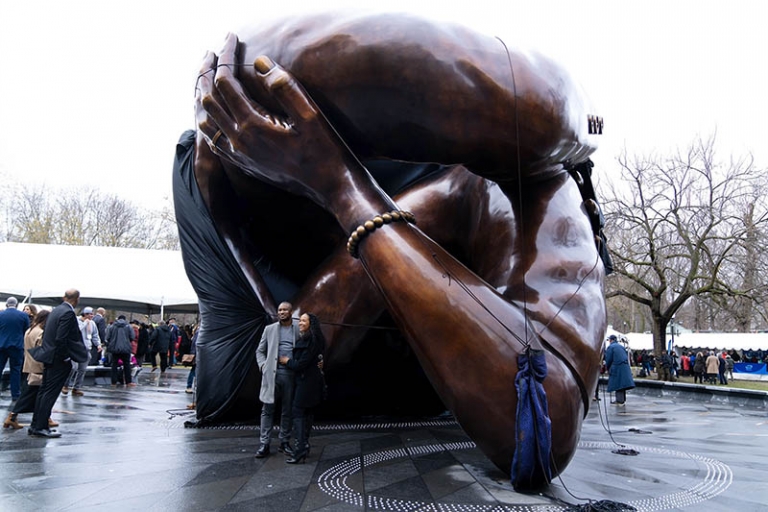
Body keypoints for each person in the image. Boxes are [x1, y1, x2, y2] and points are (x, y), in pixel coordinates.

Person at [188, 14, 610, 484]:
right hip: (268, 247)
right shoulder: (216, 176)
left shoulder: (515, 187)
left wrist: (343, 189)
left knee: (537, 118)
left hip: (364, 338)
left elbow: (544, 428)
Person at [28, 289, 86, 437]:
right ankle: (40, 427)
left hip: (48, 355)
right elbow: (61, 338)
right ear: (77, 299)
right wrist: (65, 357)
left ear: (64, 297)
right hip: (57, 358)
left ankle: (36, 425)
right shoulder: (67, 313)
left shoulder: (56, 311)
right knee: (49, 393)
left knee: (43, 392)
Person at [279, 312, 326, 463]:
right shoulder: (315, 339)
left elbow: (301, 364)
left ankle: (300, 450)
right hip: (312, 382)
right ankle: (304, 444)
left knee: (297, 411)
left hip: (306, 383)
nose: (300, 323)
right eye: (300, 320)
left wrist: (287, 361)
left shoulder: (310, 340)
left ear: (310, 324)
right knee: (307, 412)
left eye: (303, 321)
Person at [255, 302, 299, 458]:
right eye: (279, 310)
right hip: (271, 376)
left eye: (285, 310)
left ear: (291, 312)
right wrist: (262, 366)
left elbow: (308, 347)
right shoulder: (270, 329)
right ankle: (264, 443)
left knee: (287, 410)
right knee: (267, 411)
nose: (281, 312)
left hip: (291, 375)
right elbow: (259, 351)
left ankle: (284, 441)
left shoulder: (298, 329)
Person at [4, 310, 53, 429]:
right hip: (37, 367)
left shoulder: (29, 330)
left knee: (32, 394)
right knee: (33, 395)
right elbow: (42, 351)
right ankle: (12, 416)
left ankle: (44, 417)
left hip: (29, 364)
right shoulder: (41, 333)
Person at [62, 307, 101, 396]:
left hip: (86, 348)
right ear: (85, 314)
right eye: (90, 314)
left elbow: (95, 335)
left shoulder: (92, 323)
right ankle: (65, 385)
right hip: (76, 348)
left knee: (82, 369)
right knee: (73, 367)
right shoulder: (76, 321)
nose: (92, 316)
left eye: (92, 314)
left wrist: (98, 344)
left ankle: (77, 388)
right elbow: (75, 331)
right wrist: (84, 324)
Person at [0, 296, 31, 401]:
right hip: (17, 346)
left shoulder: (1, 315)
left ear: (7, 304)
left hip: (2, 345)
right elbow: (26, 330)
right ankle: (15, 394)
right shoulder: (23, 315)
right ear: (17, 305)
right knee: (16, 370)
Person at [105, 315, 136, 387]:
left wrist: (111, 344)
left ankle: (113, 382)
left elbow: (107, 337)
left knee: (114, 365)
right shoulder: (128, 327)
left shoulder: (112, 326)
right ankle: (128, 382)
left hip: (115, 349)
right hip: (126, 349)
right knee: (127, 365)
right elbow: (132, 337)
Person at [604, 335, 634, 405]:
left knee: (618, 384)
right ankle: (622, 399)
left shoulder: (611, 347)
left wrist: (607, 367)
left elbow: (609, 359)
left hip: (617, 367)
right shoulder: (621, 346)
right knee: (622, 384)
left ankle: (619, 400)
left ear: (611, 340)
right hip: (625, 367)